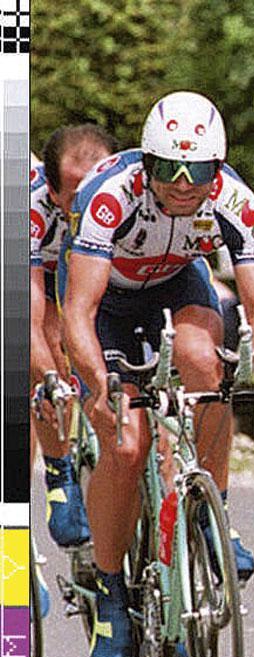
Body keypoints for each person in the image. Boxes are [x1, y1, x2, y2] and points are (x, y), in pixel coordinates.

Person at [62, 91, 254, 657]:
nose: (185, 185)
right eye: (171, 172)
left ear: (217, 169)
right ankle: (110, 591)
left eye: (200, 173)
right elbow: (78, 312)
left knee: (204, 364)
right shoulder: (108, 195)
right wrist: (100, 384)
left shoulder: (234, 200)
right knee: (124, 444)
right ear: (147, 164)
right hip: (108, 304)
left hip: (175, 284)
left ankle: (210, 510)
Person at [31, 125, 118, 549]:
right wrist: (51, 376)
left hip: (103, 283)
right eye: (73, 195)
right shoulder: (30, 210)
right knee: (46, 340)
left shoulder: (121, 196)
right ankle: (59, 470)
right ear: (51, 191)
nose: (87, 203)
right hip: (41, 283)